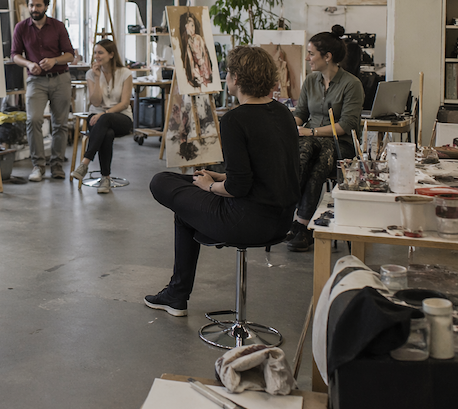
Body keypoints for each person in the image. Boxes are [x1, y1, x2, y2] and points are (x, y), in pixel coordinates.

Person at [144, 46, 300, 317]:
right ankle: (175, 295)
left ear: (236, 78)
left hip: (246, 221)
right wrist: (221, 177)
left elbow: (238, 188)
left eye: (228, 73)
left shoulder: (235, 119)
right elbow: (269, 172)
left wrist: (210, 186)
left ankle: (177, 295)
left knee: (161, 181)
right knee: (188, 195)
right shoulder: (283, 113)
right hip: (282, 220)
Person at [285, 30, 364, 252]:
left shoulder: (352, 84)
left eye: (311, 53)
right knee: (308, 152)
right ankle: (302, 224)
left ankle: (299, 222)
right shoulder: (311, 81)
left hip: (341, 145)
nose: (307, 58)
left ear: (327, 56)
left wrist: (310, 132)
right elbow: (300, 113)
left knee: (319, 156)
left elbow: (346, 125)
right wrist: (288, 127)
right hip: (310, 142)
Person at [11, 0, 75, 182]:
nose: (34, 9)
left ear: (46, 6)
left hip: (60, 78)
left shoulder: (58, 26)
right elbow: (15, 55)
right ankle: (38, 166)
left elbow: (70, 55)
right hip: (35, 80)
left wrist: (54, 60)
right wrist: (28, 64)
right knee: (33, 120)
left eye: (38, 5)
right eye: (31, 5)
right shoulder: (21, 28)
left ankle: (57, 166)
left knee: (60, 124)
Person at [69, 39, 133, 194]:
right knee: (107, 133)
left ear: (111, 54)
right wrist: (97, 77)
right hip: (96, 118)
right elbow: (96, 101)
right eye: (95, 52)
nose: (96, 56)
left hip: (121, 117)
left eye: (100, 52)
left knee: (104, 119)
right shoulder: (91, 74)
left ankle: (85, 163)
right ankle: (105, 178)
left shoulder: (125, 73)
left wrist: (104, 114)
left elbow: (125, 103)